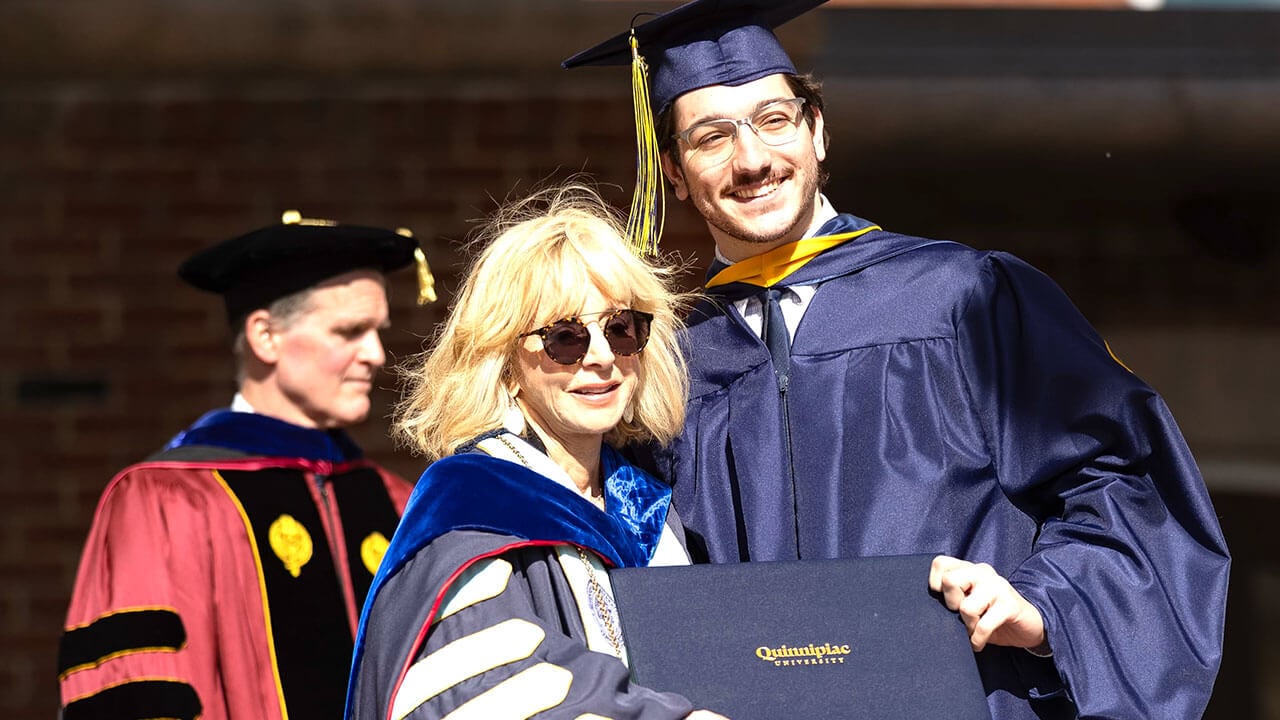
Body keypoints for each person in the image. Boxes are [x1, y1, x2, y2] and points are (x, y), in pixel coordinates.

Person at [564, 2, 1230, 718]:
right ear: (673, 169)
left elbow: (1123, 488)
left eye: (774, 120)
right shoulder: (666, 358)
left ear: (818, 131)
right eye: (712, 137)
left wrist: (1042, 604)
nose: (751, 159)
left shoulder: (964, 298)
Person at [345, 183, 725, 720]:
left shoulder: (649, 512)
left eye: (621, 329)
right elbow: (485, 688)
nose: (601, 358)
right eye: (564, 337)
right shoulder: (471, 511)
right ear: (504, 363)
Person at [57, 212, 435, 720]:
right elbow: (137, 691)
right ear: (265, 337)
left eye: (377, 331)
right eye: (350, 331)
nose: (376, 353)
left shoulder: (396, 502)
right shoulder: (165, 500)